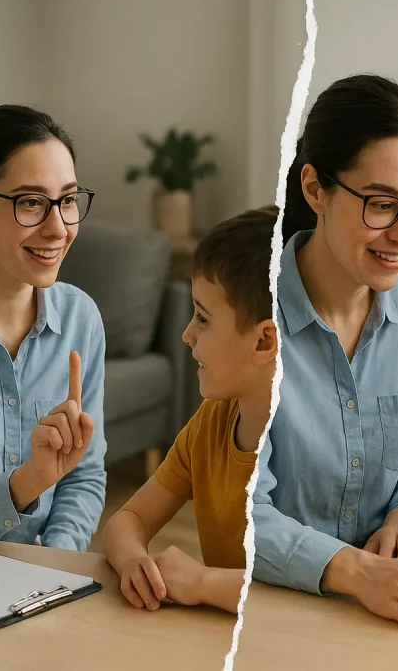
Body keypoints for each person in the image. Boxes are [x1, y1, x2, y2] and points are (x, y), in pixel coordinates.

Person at [252, 74, 398, 636]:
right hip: (279, 607)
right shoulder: (250, 316)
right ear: (315, 188)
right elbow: (241, 509)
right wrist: (356, 572)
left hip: (393, 599)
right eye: (383, 204)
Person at [103, 207, 277, 614]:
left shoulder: (324, 449)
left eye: (202, 317)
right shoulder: (211, 424)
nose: (186, 334)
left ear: (263, 341)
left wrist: (204, 582)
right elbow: (127, 521)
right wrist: (133, 560)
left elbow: (321, 598)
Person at [0, 105, 106, 550]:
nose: (58, 227)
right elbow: (49, 475)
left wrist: (56, 571)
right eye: (31, 202)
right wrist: (31, 481)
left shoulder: (81, 319)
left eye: (67, 200)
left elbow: (84, 475)